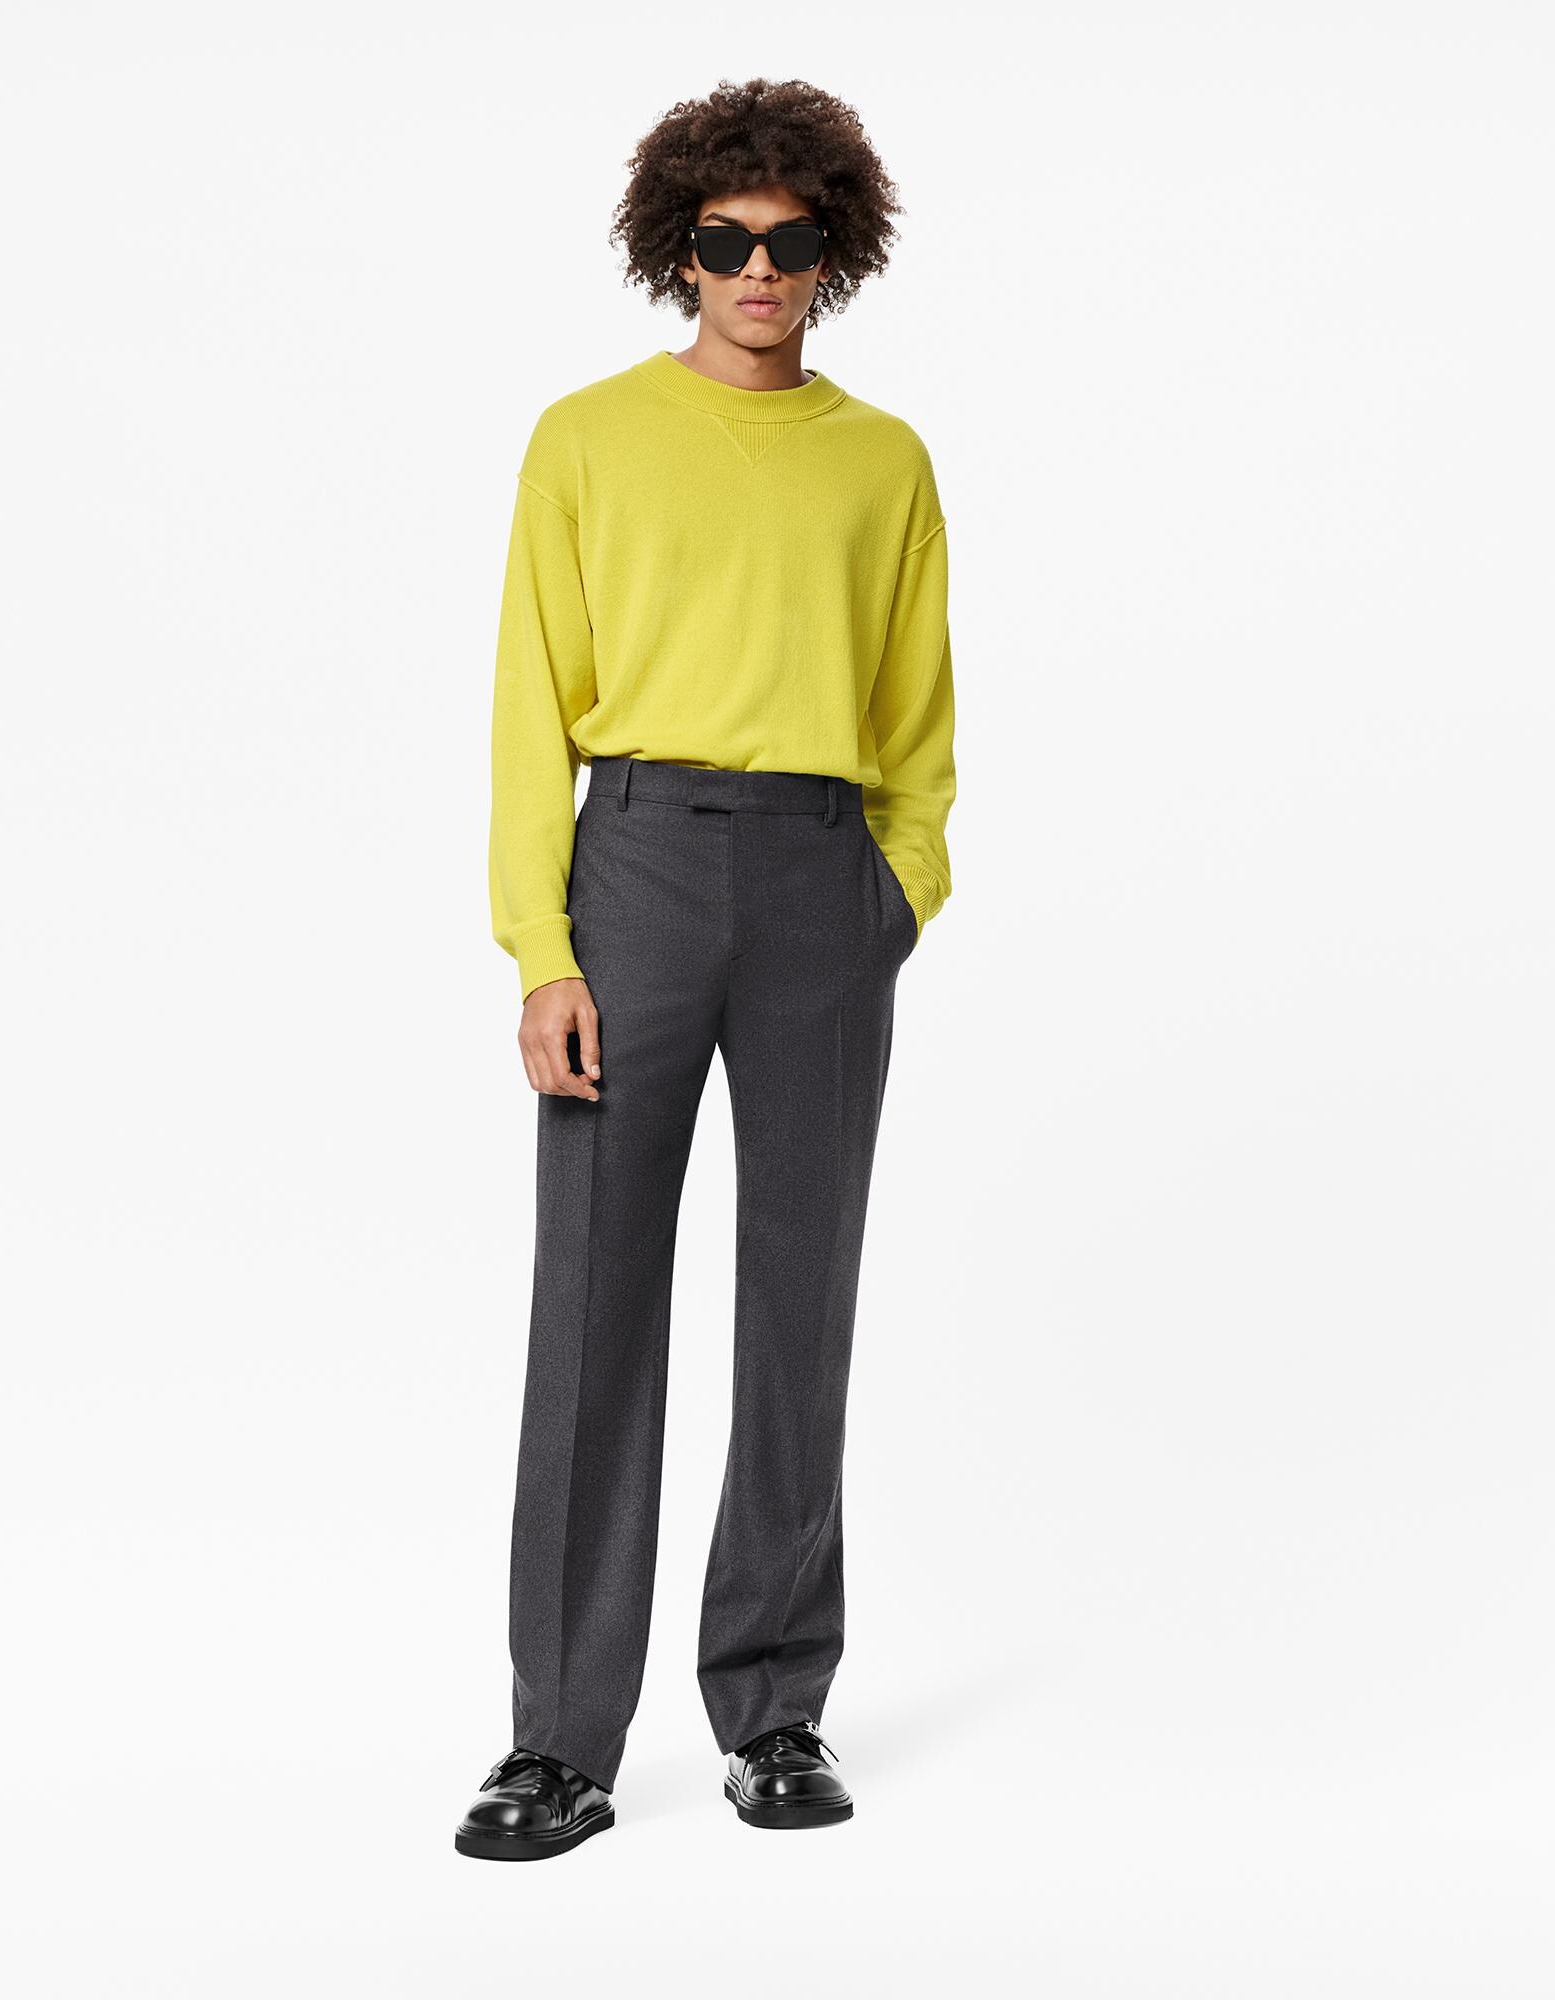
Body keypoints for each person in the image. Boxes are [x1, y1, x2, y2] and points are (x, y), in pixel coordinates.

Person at [455, 76, 957, 1861]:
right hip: (641, 866)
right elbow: (530, 709)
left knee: (800, 1301)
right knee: (594, 1302)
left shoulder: (884, 463)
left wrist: (896, 892)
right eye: (727, 238)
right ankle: (559, 1742)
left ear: (834, 252)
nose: (759, 267)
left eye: (791, 239)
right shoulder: (586, 439)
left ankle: (776, 1707)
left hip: (825, 881)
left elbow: (918, 720)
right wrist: (544, 948)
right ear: (679, 247)